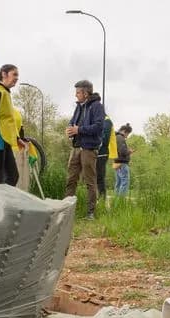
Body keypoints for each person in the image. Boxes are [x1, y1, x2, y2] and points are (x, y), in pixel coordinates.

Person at [64, 80, 104, 219]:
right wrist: (70, 129)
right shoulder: (79, 107)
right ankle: (67, 211)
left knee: (90, 181)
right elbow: (72, 122)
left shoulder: (97, 106)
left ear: (86, 93)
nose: (76, 95)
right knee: (71, 179)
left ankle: (91, 213)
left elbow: (99, 127)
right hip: (75, 149)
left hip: (89, 149)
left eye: (78, 92)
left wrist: (79, 130)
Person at [96, 115, 117, 199]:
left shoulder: (106, 120)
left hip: (102, 153)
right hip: (97, 152)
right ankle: (98, 198)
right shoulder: (100, 120)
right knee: (96, 177)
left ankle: (101, 199)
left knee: (100, 177)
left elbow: (105, 138)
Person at [114, 123, 134, 196]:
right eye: (127, 134)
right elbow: (122, 151)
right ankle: (121, 202)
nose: (127, 136)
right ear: (124, 131)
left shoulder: (116, 137)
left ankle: (116, 201)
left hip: (116, 163)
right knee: (125, 181)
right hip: (122, 163)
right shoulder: (120, 138)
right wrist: (129, 151)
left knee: (118, 182)